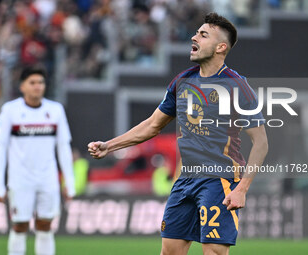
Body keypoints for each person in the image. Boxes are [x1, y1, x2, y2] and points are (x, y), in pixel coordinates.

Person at [88, 12, 268, 255]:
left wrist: (242, 188)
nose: (194, 37)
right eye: (196, 32)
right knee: (169, 252)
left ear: (220, 47)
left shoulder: (237, 86)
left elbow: (261, 143)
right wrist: (110, 146)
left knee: (214, 252)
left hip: (219, 181)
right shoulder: (182, 81)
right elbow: (153, 125)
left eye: (203, 35)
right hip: (184, 181)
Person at [0, 67, 75, 255]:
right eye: (33, 83)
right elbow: (1, 148)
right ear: (22, 86)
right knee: (20, 226)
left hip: (47, 178)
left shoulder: (55, 110)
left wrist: (69, 182)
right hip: (20, 179)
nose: (37, 87)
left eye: (41, 82)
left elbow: (63, 147)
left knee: (45, 226)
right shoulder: (10, 111)